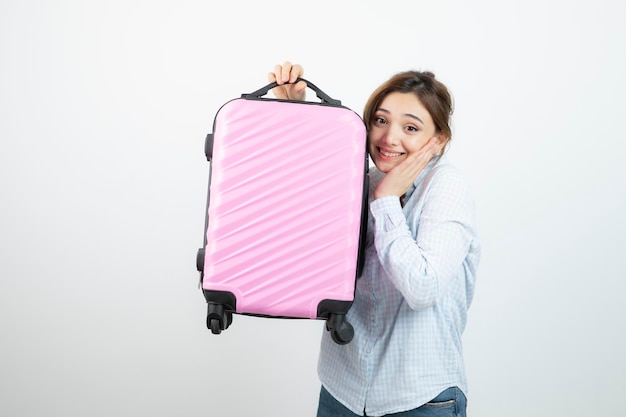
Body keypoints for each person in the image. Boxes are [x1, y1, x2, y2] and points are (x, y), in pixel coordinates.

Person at [268, 62, 481, 417]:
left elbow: (423, 288)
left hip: (419, 399)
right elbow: (301, 216)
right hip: (343, 390)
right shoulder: (358, 181)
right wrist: (299, 111)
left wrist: (386, 201)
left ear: (438, 139)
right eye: (380, 120)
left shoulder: (446, 186)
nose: (388, 138)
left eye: (410, 127)